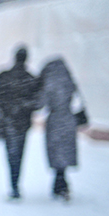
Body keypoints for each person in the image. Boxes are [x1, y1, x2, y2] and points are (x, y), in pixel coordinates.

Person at [0, 45, 41, 199]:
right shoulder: (30, 78)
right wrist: (23, 107)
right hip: (21, 124)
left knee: (11, 154)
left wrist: (3, 109)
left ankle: (14, 184)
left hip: (7, 122)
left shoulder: (4, 76)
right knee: (18, 154)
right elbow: (37, 102)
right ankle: (15, 184)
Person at [38, 56, 82, 201]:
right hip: (69, 120)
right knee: (65, 152)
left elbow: (41, 102)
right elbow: (76, 98)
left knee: (56, 153)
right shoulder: (68, 80)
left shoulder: (49, 82)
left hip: (55, 120)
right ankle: (61, 181)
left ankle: (60, 183)